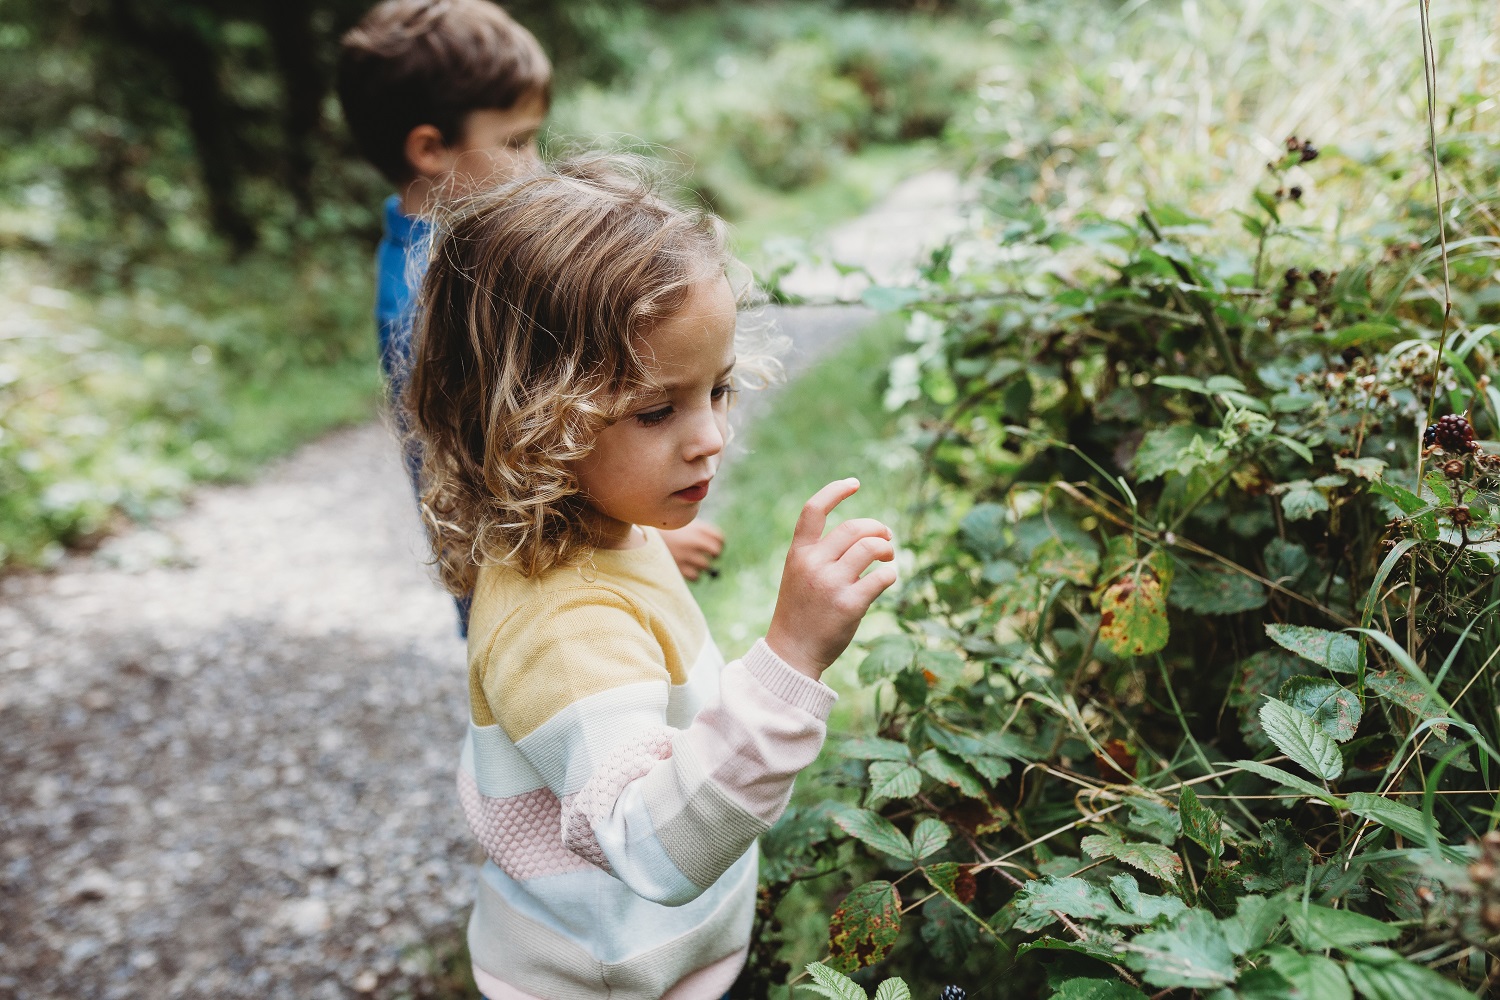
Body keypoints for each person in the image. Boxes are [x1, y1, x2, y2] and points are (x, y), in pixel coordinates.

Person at [403, 157, 898, 999]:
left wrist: (648, 554)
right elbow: (644, 839)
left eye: (721, 388)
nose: (709, 436)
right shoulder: (567, 626)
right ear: (532, 426)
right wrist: (791, 659)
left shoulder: (577, 533)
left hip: (646, 956)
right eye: (658, 409)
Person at [336, 0, 724, 635]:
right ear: (430, 148)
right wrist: (633, 545)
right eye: (515, 142)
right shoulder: (439, 290)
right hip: (542, 585)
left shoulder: (441, 256)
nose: (534, 164)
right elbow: (495, 460)